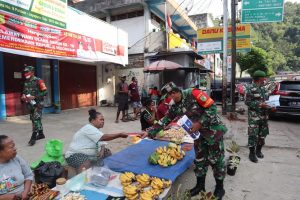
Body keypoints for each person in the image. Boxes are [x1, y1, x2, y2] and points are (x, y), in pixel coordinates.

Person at [146, 82, 227, 199]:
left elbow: (212, 108)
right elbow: (166, 119)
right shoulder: (174, 105)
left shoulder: (194, 93)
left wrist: (200, 123)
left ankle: (220, 188)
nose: (170, 98)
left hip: (212, 132)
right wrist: (150, 131)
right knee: (200, 160)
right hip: (197, 135)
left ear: (175, 92)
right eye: (168, 96)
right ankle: (200, 186)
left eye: (171, 95)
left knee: (216, 161)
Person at [65, 109, 128, 173]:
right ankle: (82, 178)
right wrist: (119, 135)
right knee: (86, 162)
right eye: (101, 119)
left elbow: (102, 142)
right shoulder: (88, 128)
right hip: (74, 155)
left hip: (89, 154)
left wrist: (102, 150)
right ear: (93, 120)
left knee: (107, 152)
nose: (103, 121)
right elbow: (103, 137)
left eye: (103, 120)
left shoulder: (97, 130)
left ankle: (103, 171)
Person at [245, 70, 276, 163]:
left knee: (263, 134)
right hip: (254, 117)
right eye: (264, 77)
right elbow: (247, 102)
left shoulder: (263, 88)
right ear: (259, 78)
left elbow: (267, 100)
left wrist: (272, 106)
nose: (265, 79)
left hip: (264, 116)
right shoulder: (250, 88)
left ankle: (258, 150)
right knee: (253, 135)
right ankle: (251, 153)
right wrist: (260, 105)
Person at [21, 65, 47, 146]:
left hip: (38, 103)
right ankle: (41, 134)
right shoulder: (26, 82)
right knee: (34, 119)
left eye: (27, 72)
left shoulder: (39, 81)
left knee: (35, 118)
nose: (25, 73)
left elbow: (45, 92)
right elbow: (24, 92)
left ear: (32, 72)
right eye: (25, 72)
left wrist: (35, 96)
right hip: (30, 104)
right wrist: (23, 96)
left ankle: (33, 136)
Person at [0, 135, 33, 200]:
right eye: (11, 147)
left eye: (14, 145)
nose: (15, 149)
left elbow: (28, 175)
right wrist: (3, 197)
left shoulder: (16, 158)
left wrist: (26, 192)